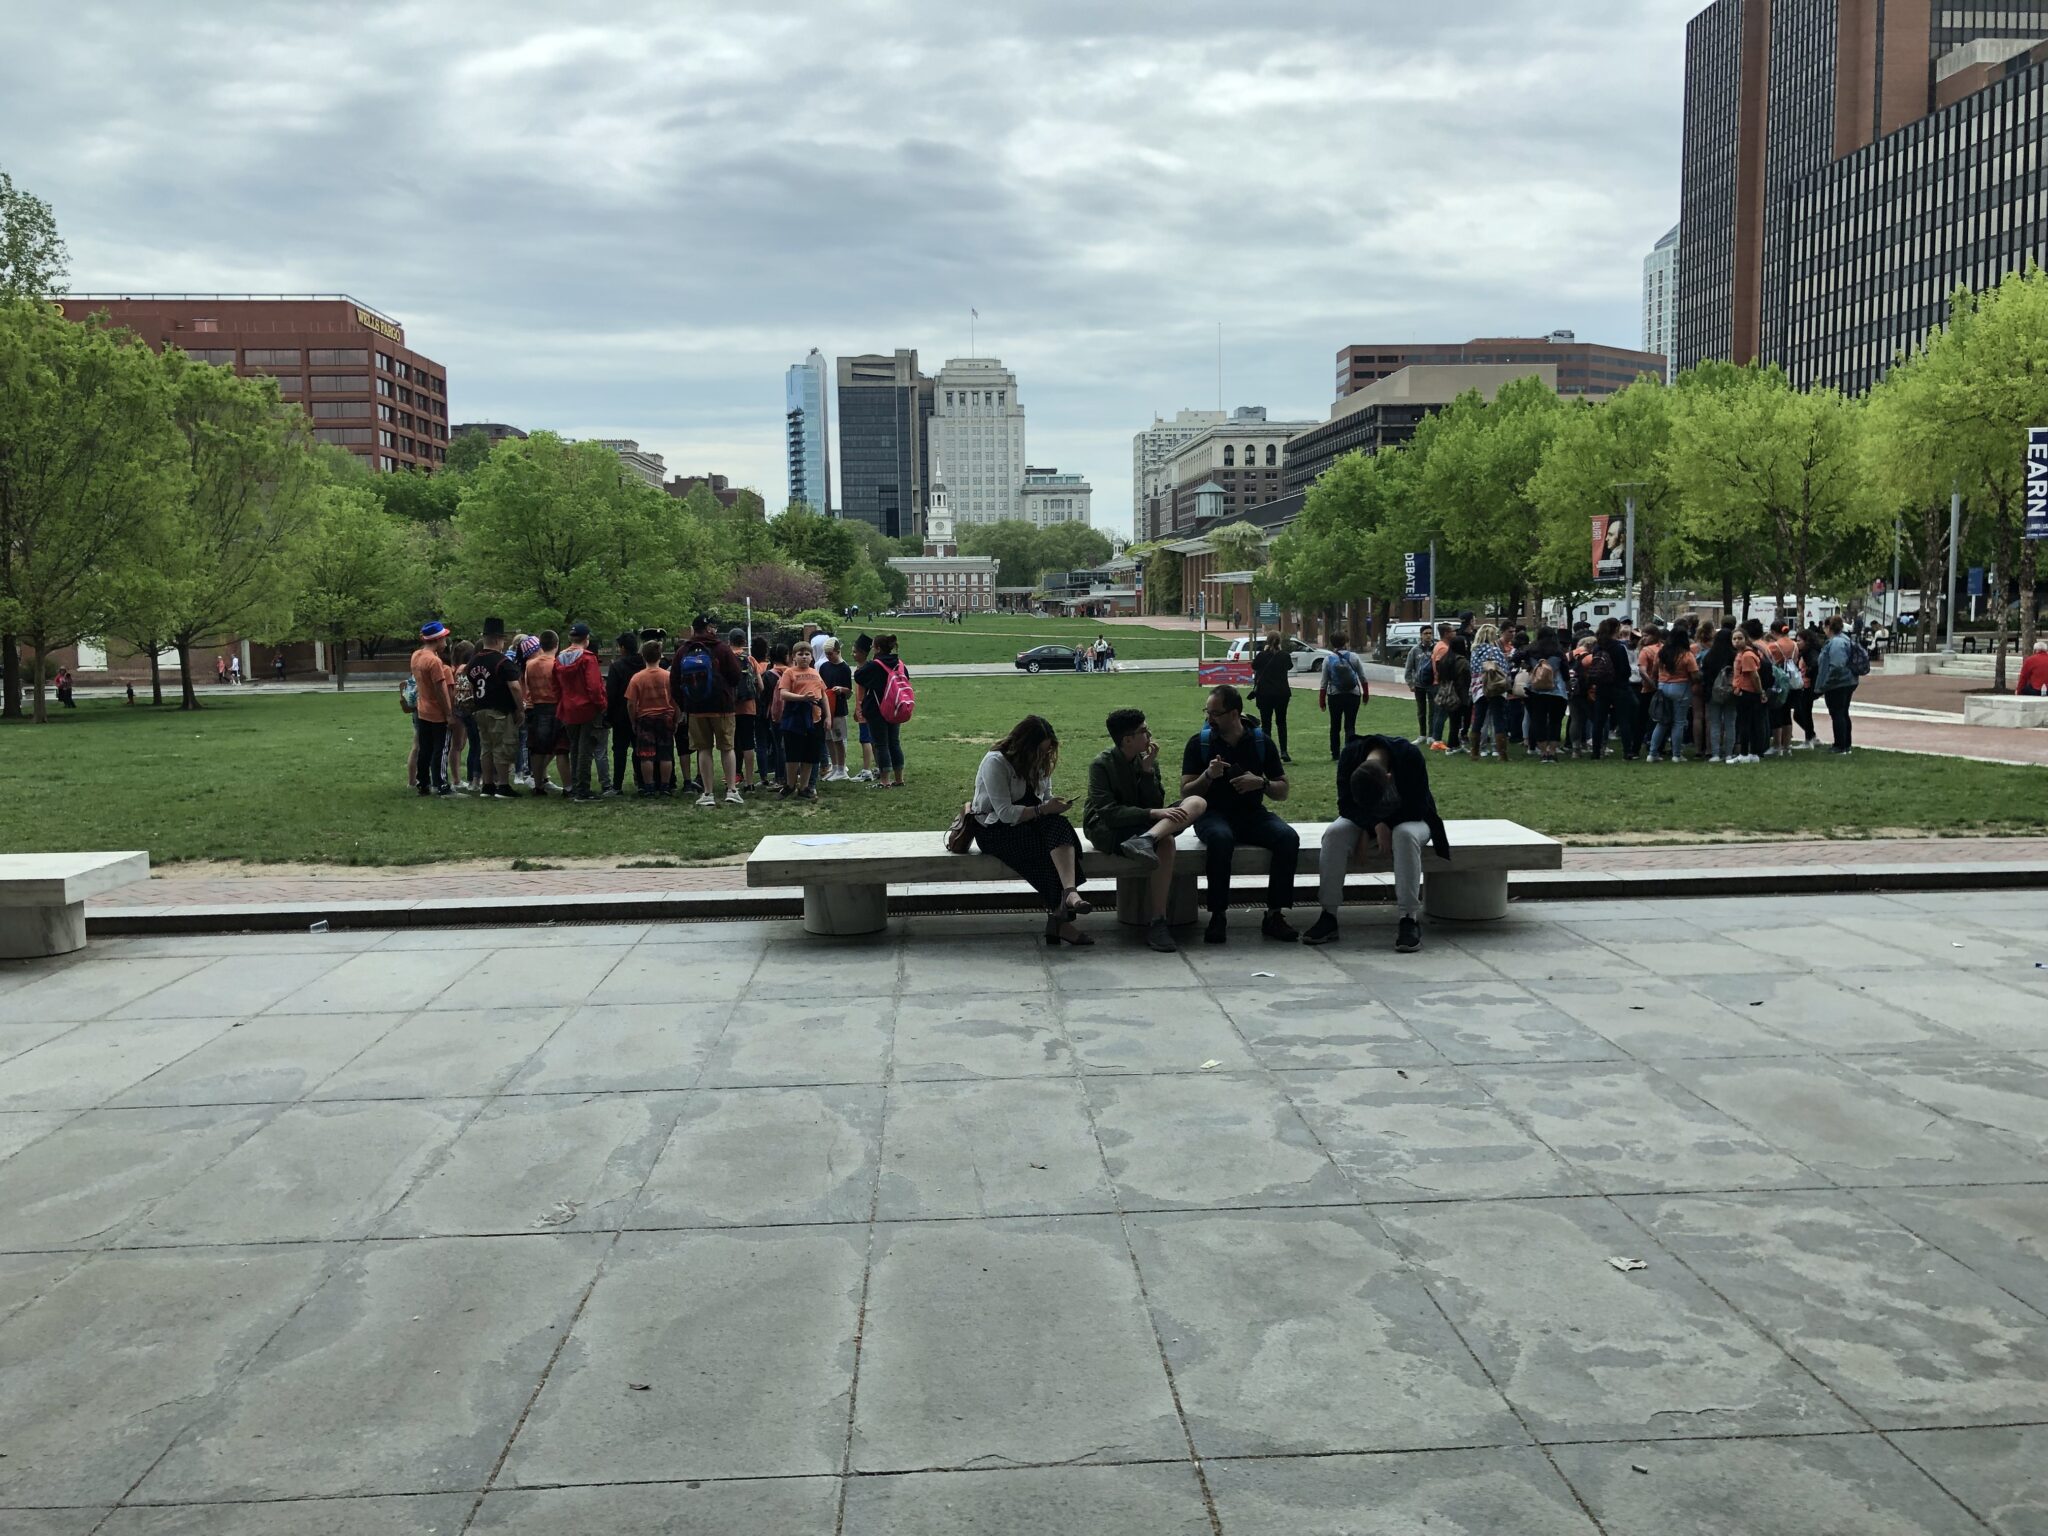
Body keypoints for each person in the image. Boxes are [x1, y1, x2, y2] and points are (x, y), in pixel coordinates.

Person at [1307, 733, 1451, 953]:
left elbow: (1418, 806)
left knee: (1404, 835)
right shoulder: (1349, 756)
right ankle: (1328, 914)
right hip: (1367, 822)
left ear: (1389, 777)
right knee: (1334, 834)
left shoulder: (1409, 756)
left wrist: (1384, 825)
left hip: (1411, 818)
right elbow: (1345, 806)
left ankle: (1408, 918)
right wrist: (1373, 825)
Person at [1181, 683, 1299, 944]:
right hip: (1211, 815)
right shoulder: (1200, 743)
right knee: (1221, 839)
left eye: (1215, 713)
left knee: (1287, 838)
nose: (1209, 718)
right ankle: (1218, 915)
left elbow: (1283, 790)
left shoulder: (1260, 742)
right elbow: (1186, 792)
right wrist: (1208, 775)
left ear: (1234, 714)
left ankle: (1274, 914)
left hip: (1252, 814)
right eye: (1207, 712)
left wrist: (1261, 783)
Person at [1084, 707, 1208, 953]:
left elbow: (1155, 802)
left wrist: (1147, 772)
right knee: (1167, 841)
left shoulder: (1146, 759)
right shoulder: (1101, 765)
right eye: (1144, 731)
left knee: (1197, 802)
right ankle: (1158, 921)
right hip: (1108, 828)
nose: (1149, 735)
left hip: (1145, 825)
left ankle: (1148, 838)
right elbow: (1109, 813)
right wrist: (1153, 814)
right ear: (1127, 739)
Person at [971, 714, 1093, 946]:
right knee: (1042, 852)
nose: (1043, 757)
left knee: (1060, 827)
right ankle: (1060, 921)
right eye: (1039, 751)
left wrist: (1054, 806)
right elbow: (1005, 813)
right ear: (1024, 746)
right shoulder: (995, 762)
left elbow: (1044, 798)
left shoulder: (1041, 763)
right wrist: (1044, 809)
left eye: (1046, 752)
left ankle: (1069, 892)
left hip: (1030, 821)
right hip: (994, 828)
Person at [675, 615, 743, 807]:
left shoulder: (684, 650)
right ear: (709, 629)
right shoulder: (721, 648)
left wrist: (685, 704)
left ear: (693, 629)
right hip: (722, 707)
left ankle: (708, 792)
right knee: (727, 748)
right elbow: (736, 675)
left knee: (703, 749)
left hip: (696, 708)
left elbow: (674, 682)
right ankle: (731, 790)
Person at [552, 622, 607, 802]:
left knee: (574, 748)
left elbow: (555, 685)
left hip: (568, 708)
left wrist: (562, 702)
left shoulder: (559, 658)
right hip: (587, 708)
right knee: (585, 749)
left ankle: (575, 787)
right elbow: (594, 687)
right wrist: (601, 704)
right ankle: (583, 789)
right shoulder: (587, 658)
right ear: (586, 639)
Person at [775, 644, 829, 799]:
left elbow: (823, 695)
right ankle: (790, 785)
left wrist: (828, 716)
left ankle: (804, 787)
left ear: (812, 657)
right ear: (794, 657)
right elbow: (784, 694)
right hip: (795, 718)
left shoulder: (815, 673)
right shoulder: (790, 672)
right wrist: (802, 698)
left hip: (814, 718)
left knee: (810, 755)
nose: (804, 657)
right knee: (793, 753)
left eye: (807, 654)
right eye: (800, 654)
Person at [625, 639, 677, 796]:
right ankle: (665, 786)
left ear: (643, 656)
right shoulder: (668, 676)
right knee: (666, 754)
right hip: (665, 717)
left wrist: (633, 721)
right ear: (660, 656)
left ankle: (649, 787)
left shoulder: (637, 678)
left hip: (645, 718)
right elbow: (676, 701)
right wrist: (676, 718)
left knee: (646, 756)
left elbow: (631, 703)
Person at [856, 632, 907, 788]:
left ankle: (884, 780)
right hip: (896, 706)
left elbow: (858, 676)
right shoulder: (899, 663)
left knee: (881, 744)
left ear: (877, 648)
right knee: (894, 742)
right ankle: (899, 778)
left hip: (877, 708)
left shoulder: (874, 665)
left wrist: (863, 663)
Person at [409, 621, 454, 797]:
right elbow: (440, 690)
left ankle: (423, 783)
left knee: (425, 749)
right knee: (441, 749)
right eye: (444, 638)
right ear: (438, 639)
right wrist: (449, 714)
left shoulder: (416, 656)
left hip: (422, 710)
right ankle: (441, 785)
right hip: (437, 712)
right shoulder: (434, 661)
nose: (446, 642)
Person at [1646, 627, 1698, 763]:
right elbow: (1694, 674)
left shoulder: (1662, 653)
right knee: (1678, 722)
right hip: (1681, 687)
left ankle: (1652, 753)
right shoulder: (1686, 655)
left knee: (1662, 722)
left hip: (1663, 686)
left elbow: (1654, 671)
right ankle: (1676, 754)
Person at [1521, 628, 1570, 764]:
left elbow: (1516, 659)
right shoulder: (1558, 652)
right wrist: (1568, 686)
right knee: (1555, 722)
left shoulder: (1531, 651)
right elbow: (1565, 672)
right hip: (1557, 690)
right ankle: (1552, 751)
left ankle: (1543, 752)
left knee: (1538, 721)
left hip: (1535, 690)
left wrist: (1529, 667)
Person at [1813, 614, 1860, 753]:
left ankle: (1840, 745)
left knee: (1837, 713)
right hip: (1847, 681)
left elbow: (1837, 665)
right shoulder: (1844, 639)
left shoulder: (1836, 643)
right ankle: (1845, 743)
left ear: (1829, 627)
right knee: (1843, 713)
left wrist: (1827, 682)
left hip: (1838, 683)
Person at [1321, 630, 1367, 759]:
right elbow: (1363, 677)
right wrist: (1366, 693)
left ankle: (1335, 753)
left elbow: (1324, 682)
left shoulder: (1328, 659)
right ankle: (1349, 752)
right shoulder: (1354, 657)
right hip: (1353, 695)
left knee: (1335, 726)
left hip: (1334, 695)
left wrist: (1322, 700)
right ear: (1345, 642)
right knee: (1350, 725)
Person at [605, 633, 640, 795]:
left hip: (620, 714)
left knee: (619, 750)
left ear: (623, 648)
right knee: (639, 749)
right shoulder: (643, 663)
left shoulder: (617, 667)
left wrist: (608, 715)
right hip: (640, 713)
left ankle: (617, 785)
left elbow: (611, 693)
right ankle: (641, 782)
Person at [1251, 633, 1295, 764]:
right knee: (1281, 722)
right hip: (1282, 693)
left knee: (1266, 724)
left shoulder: (1261, 656)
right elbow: (1289, 666)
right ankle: (1284, 751)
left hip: (1264, 693)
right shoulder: (1284, 656)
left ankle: (1267, 752)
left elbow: (1254, 666)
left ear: (1267, 641)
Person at [1467, 623, 1509, 760]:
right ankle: (1502, 753)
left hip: (1478, 688)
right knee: (1498, 719)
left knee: (1478, 720)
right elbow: (1504, 669)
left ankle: (1474, 751)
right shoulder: (1495, 651)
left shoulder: (1474, 652)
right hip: (1494, 687)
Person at [729, 628, 762, 787]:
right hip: (748, 707)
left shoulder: (725, 658)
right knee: (748, 744)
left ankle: (733, 778)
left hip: (730, 708)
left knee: (731, 745)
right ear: (743, 641)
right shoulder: (750, 659)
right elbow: (760, 686)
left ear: (729, 641)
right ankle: (750, 782)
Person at [819, 638, 854, 781]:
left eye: (830, 654)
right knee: (828, 739)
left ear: (838, 652)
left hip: (838, 708)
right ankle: (834, 767)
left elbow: (849, 691)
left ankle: (841, 768)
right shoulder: (824, 667)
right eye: (826, 654)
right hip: (826, 707)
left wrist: (841, 689)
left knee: (838, 739)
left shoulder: (844, 668)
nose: (828, 657)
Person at [1728, 628, 1764, 765]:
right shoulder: (1742, 654)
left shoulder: (1747, 655)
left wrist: (1760, 692)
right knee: (1752, 723)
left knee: (1745, 724)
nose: (1737, 641)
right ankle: (1753, 753)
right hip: (1746, 691)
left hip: (1747, 692)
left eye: (1740, 638)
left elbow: (1754, 676)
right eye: (1734, 639)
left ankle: (1744, 753)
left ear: (1746, 639)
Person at [849, 634, 877, 782]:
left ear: (863, 653)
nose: (852, 654)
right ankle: (879, 766)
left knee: (865, 739)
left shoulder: (865, 669)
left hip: (866, 710)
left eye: (855, 652)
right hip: (863, 709)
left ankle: (866, 770)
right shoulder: (863, 668)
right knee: (872, 740)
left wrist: (860, 709)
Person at [1404, 633, 1434, 741]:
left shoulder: (1436, 648)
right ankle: (1422, 734)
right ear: (1421, 635)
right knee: (1421, 711)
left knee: (1433, 711)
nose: (1428, 636)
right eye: (1425, 633)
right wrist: (1410, 683)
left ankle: (1431, 735)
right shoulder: (1415, 650)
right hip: (1419, 685)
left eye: (1430, 633)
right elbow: (1408, 668)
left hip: (1432, 685)